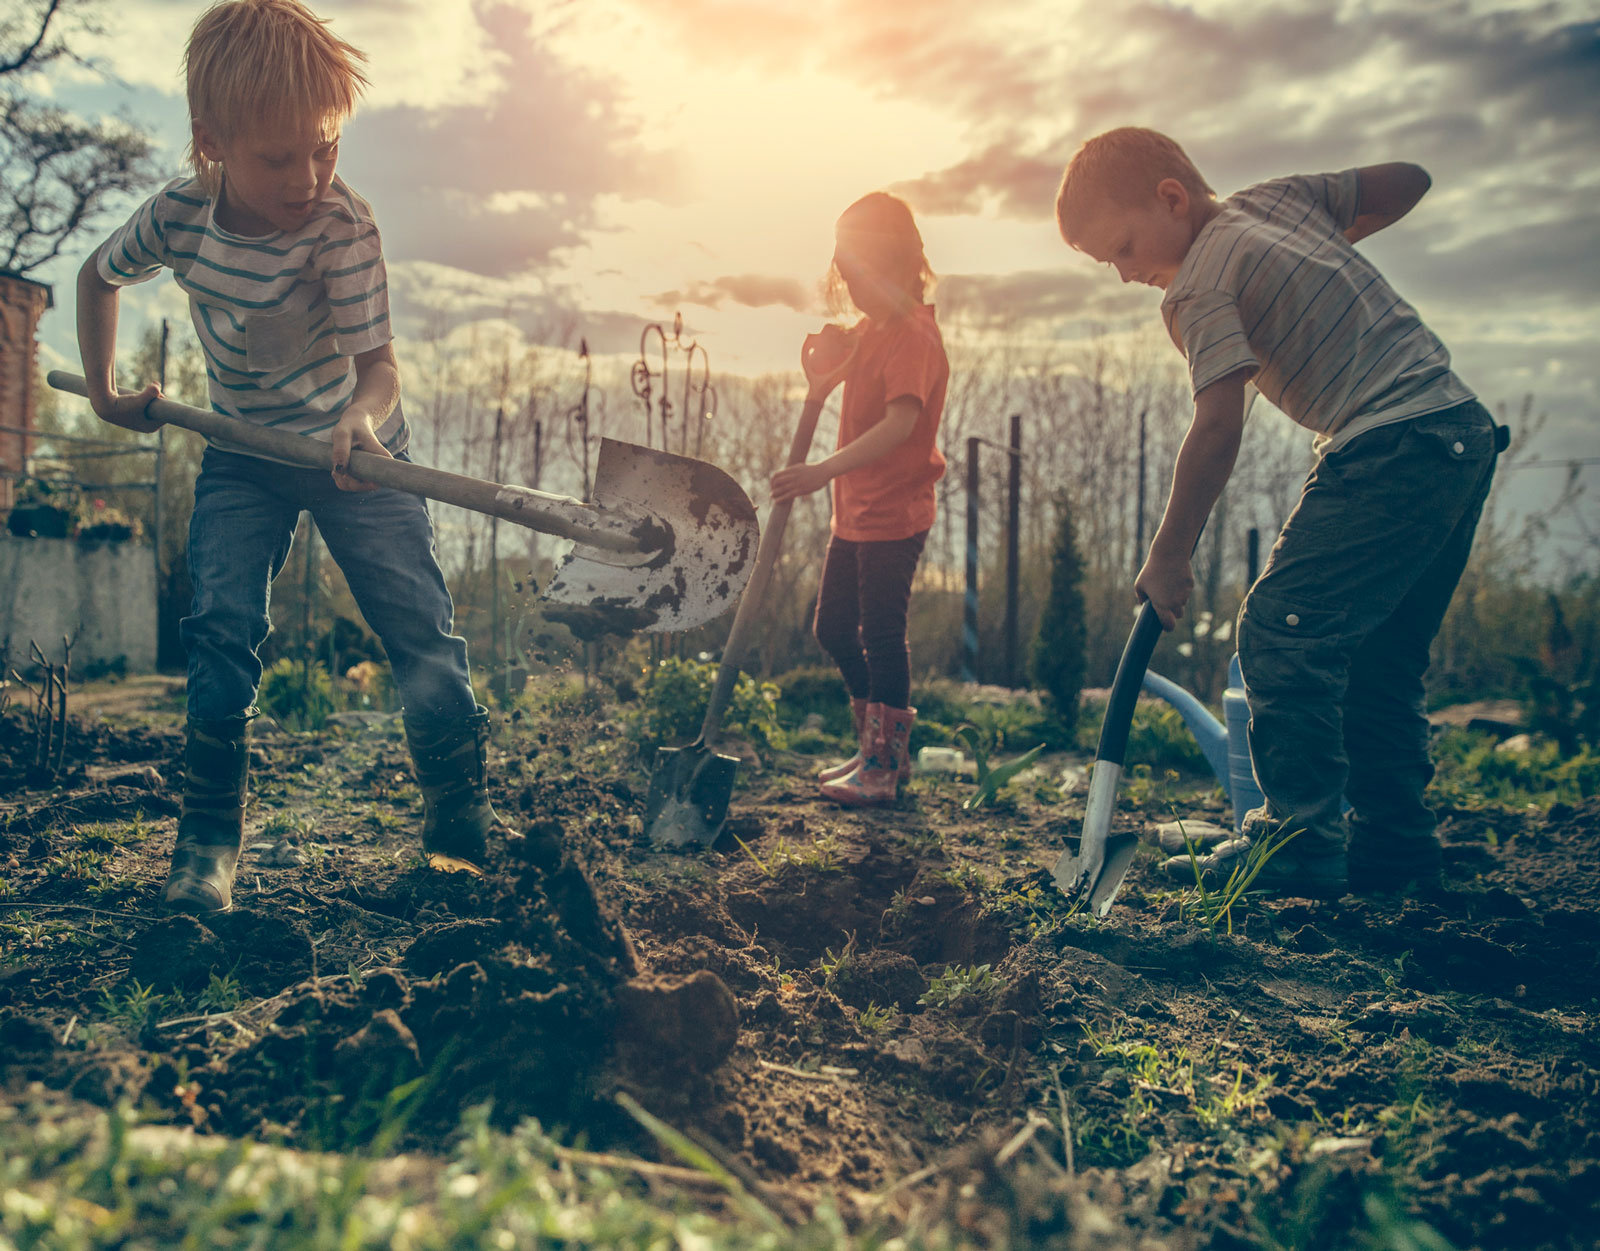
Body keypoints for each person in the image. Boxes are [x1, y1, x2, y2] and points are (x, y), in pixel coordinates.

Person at [75, 0, 510, 914]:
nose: (309, 175)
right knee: (220, 630)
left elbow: (379, 370)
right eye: (279, 158)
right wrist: (109, 392)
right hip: (243, 452)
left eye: (326, 148)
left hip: (362, 458)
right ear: (212, 142)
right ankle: (205, 847)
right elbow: (96, 276)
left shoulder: (340, 227)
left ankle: (457, 817)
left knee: (420, 630)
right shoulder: (180, 219)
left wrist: (358, 422)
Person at [1055, 127, 1503, 898]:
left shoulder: (1195, 286)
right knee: (1378, 660)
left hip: (1385, 445)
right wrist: (1320, 246)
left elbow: (1218, 421)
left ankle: (1297, 841)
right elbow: (1411, 176)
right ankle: (1397, 849)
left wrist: (1169, 552)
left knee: (1281, 628)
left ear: (1172, 199)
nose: (1128, 274)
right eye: (1110, 264)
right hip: (1458, 434)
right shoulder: (1283, 202)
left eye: (1124, 248)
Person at [770, 192, 950, 807]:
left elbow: (901, 424)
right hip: (854, 513)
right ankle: (873, 748)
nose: (855, 292)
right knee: (833, 628)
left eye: (864, 278)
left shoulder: (914, 339)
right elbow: (845, 349)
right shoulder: (873, 331)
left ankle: (884, 765)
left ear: (903, 266)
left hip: (894, 513)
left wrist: (822, 470)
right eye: (846, 280)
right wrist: (831, 348)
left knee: (880, 633)